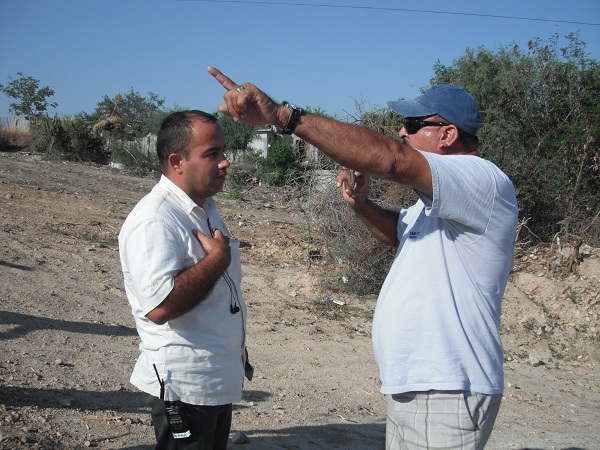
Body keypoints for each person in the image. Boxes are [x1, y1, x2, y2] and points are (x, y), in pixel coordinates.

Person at [207, 66, 518, 449]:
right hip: (426, 384)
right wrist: (361, 204)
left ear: (448, 134)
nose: (402, 132)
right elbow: (399, 234)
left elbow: (391, 160)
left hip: (449, 385)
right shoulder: (443, 201)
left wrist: (285, 117)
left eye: (413, 123)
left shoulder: (480, 178)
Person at [119, 110, 249, 450]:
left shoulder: (204, 206)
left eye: (223, 151)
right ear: (177, 161)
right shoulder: (155, 220)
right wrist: (217, 260)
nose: (225, 162)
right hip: (185, 385)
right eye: (212, 154)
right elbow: (159, 307)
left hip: (213, 377)